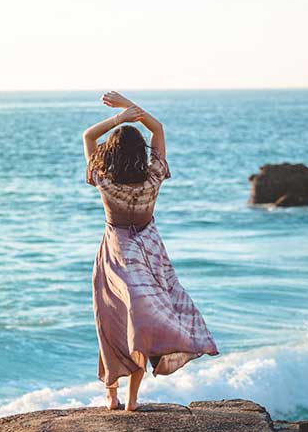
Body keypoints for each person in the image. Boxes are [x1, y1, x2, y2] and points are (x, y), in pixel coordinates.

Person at [82, 91, 219, 412]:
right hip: (151, 253)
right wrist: (131, 108)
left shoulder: (102, 177)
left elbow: (88, 135)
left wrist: (119, 117)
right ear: (139, 152)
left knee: (112, 321)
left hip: (116, 255)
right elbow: (158, 130)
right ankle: (131, 399)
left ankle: (111, 394)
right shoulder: (154, 174)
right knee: (141, 325)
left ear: (110, 154)